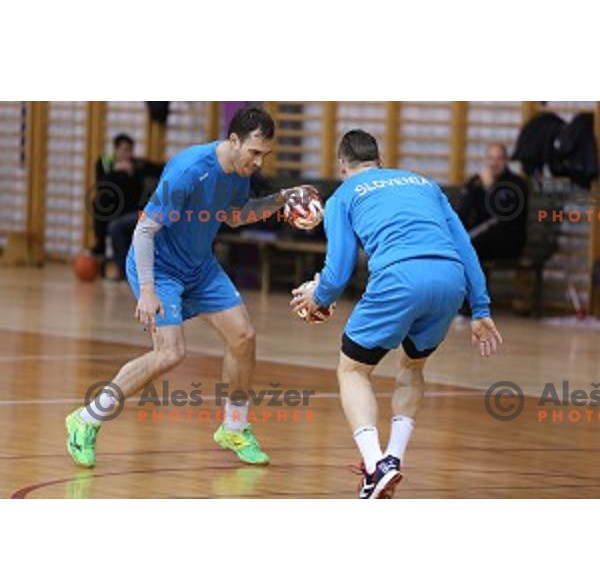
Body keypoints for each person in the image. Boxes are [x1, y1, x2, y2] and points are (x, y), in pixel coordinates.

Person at [67, 107, 313, 468]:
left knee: (243, 337)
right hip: (160, 267)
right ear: (233, 141)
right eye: (254, 153)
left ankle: (234, 428)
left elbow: (234, 216)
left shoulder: (239, 170)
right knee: (170, 353)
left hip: (199, 266)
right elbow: (144, 230)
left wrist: (280, 200)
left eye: (265, 155)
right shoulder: (189, 169)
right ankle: (86, 419)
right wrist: (148, 290)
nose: (259, 162)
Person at [291, 130, 503, 499]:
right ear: (380, 161)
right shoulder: (424, 184)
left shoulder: (343, 196)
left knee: (353, 369)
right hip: (450, 280)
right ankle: (393, 458)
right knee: (413, 366)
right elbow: (464, 246)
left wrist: (317, 296)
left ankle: (376, 465)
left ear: (342, 165)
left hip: (400, 278)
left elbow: (338, 272)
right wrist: (481, 308)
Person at [91, 133, 163, 280]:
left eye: (130, 150)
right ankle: (101, 247)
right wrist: (115, 173)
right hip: (115, 210)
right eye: (124, 150)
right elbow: (102, 188)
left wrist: (131, 174)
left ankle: (124, 272)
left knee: (115, 226)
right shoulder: (105, 164)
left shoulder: (138, 166)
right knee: (99, 204)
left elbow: (159, 170)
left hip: (136, 211)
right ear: (116, 150)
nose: (128, 154)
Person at [457, 142, 529, 262]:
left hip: (507, 241)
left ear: (506, 161)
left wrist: (487, 189)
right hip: (481, 236)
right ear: (485, 160)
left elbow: (498, 215)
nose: (494, 163)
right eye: (490, 158)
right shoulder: (477, 181)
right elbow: (463, 212)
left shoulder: (516, 184)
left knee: (464, 248)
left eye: (499, 159)